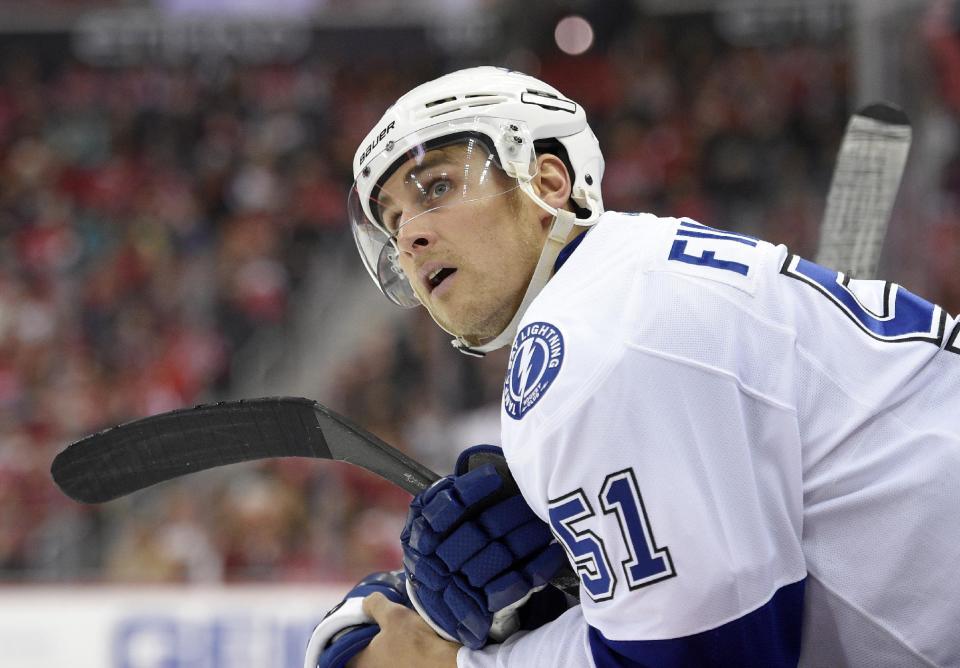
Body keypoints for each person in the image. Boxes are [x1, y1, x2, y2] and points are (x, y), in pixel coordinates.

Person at [307, 67, 960, 667]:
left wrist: (452, 663)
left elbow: (710, 660)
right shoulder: (634, 275)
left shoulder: (598, 336)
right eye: (391, 223)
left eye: (437, 187)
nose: (409, 237)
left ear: (547, 182)